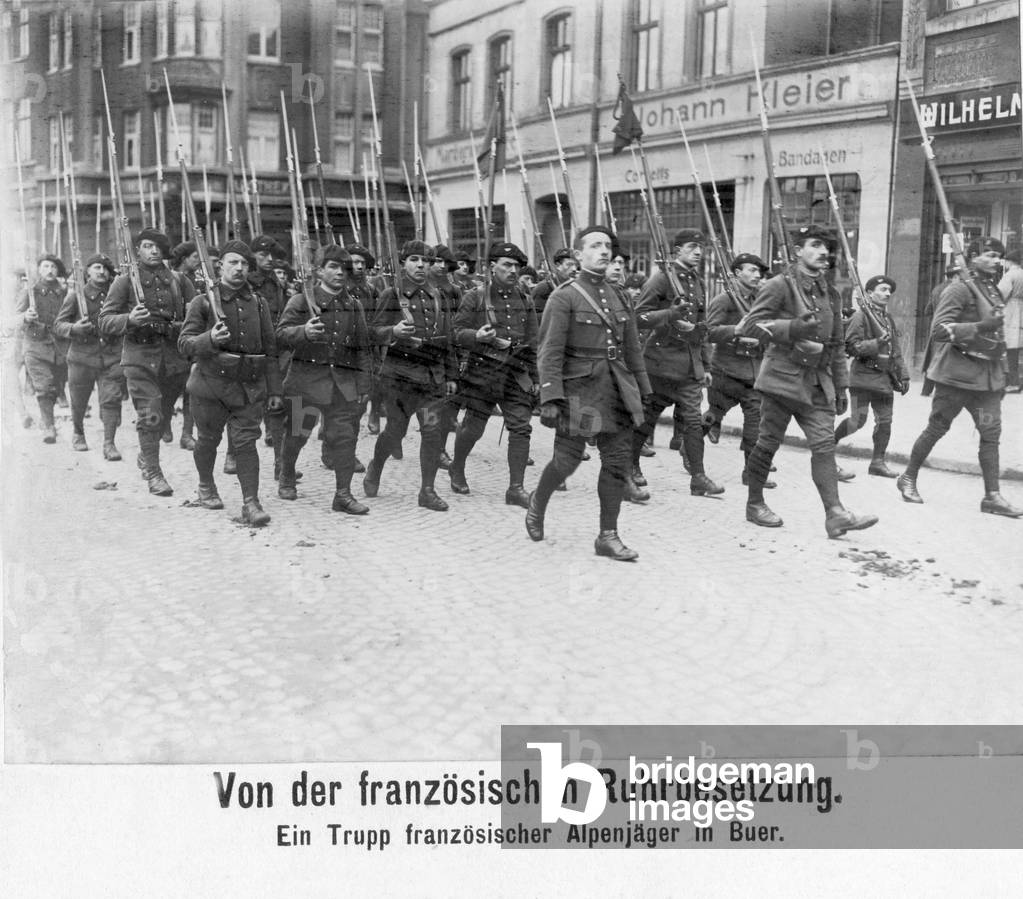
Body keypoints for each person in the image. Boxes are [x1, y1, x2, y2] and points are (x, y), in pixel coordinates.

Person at [739, 225, 878, 538]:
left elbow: (838, 344)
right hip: (781, 381)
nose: (823, 251)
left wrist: (841, 386)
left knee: (824, 445)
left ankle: (835, 514)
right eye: (815, 245)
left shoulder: (830, 292)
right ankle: (755, 503)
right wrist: (792, 328)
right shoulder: (778, 285)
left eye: (827, 247)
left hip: (818, 382)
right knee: (768, 441)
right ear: (798, 250)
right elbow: (750, 326)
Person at [527, 226, 652, 561]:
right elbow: (549, 351)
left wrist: (643, 389)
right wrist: (550, 399)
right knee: (566, 463)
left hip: (616, 390)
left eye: (608, 246)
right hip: (579, 391)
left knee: (615, 464)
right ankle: (538, 501)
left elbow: (632, 349)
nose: (604, 252)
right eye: (595, 246)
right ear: (579, 255)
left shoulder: (620, 295)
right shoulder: (564, 296)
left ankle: (607, 535)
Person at [898, 237, 1022, 517]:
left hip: (987, 379)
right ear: (973, 257)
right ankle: (908, 477)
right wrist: (979, 326)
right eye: (989, 255)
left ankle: (992, 496)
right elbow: (939, 331)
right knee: (937, 428)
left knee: (991, 434)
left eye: (998, 256)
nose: (995, 261)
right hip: (956, 377)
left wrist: (1002, 374)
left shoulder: (991, 289)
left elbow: (998, 335)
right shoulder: (958, 289)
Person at [177, 241, 281, 526]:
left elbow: (271, 349)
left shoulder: (258, 303)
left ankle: (251, 502)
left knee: (247, 443)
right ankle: (206, 485)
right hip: (210, 387)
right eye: (233, 262)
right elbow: (184, 344)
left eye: (245, 264)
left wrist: (274, 390)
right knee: (208, 440)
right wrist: (209, 339)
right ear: (220, 265)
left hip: (248, 387)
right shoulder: (202, 302)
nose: (239, 268)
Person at [273, 245, 373, 513]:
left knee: (345, 437)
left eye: (344, 268)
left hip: (342, 384)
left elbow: (363, 347)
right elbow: (280, 335)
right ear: (319, 270)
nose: (340, 272)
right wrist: (303, 331)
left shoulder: (353, 305)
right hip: (304, 382)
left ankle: (343, 494)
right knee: (296, 434)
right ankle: (286, 475)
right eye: (333, 267)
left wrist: (364, 384)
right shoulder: (301, 301)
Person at [364, 241, 458, 511]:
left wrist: (451, 375)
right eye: (414, 259)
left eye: (426, 261)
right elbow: (372, 332)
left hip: (431, 379)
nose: (421, 265)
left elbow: (448, 339)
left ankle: (427, 491)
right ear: (404, 262)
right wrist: (392, 332)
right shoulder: (391, 295)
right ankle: (376, 466)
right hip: (400, 379)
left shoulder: (438, 296)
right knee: (395, 432)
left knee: (432, 432)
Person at [99, 228, 193, 496]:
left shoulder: (178, 280)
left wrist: (180, 326)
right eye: (147, 246)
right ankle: (154, 472)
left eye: (158, 247)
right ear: (137, 250)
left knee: (160, 418)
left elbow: (195, 316)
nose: (153, 251)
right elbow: (104, 320)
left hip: (173, 361)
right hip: (140, 358)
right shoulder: (124, 281)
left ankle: (146, 455)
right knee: (150, 415)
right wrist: (129, 319)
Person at [629, 228, 722, 501]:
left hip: (689, 366)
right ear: (677, 250)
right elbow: (640, 316)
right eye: (692, 246)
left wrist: (705, 365)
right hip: (660, 363)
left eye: (701, 247)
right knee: (647, 419)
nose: (698, 252)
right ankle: (630, 464)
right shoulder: (660, 280)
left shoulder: (698, 282)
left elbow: (702, 329)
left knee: (693, 421)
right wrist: (669, 316)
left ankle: (698, 477)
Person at [449, 241, 538, 507]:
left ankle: (516, 488)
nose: (513, 270)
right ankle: (457, 466)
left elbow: (534, 341)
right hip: (483, 374)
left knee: (521, 428)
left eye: (517, 266)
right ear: (492, 267)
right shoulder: (475, 297)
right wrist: (476, 336)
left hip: (516, 374)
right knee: (473, 429)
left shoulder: (525, 299)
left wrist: (535, 379)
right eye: (507, 265)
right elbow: (456, 332)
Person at [703, 253, 775, 488]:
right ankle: (689, 445)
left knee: (755, 424)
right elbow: (709, 332)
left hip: (754, 372)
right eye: (752, 271)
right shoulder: (724, 300)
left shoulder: (759, 300)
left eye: (759, 272)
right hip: (727, 370)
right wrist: (736, 329)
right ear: (737, 273)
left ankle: (752, 474)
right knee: (713, 415)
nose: (757, 276)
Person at [834, 275, 911, 477]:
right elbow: (851, 346)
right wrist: (876, 343)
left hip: (884, 380)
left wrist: (904, 375)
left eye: (889, 291)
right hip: (862, 380)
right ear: (869, 293)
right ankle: (828, 447)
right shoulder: (861, 316)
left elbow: (896, 350)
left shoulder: (887, 318)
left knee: (885, 421)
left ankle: (877, 462)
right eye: (883, 289)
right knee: (857, 420)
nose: (887, 294)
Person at [53, 254, 126, 458]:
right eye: (96, 267)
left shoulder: (117, 294)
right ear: (87, 272)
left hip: (111, 356)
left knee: (111, 399)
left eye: (104, 268)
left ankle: (109, 443)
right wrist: (75, 328)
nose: (101, 272)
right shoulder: (76, 295)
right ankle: (78, 433)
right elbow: (58, 324)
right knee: (79, 401)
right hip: (81, 357)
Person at [14, 255, 69, 443]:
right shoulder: (30, 291)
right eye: (46, 266)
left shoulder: (64, 292)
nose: (50, 270)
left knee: (55, 387)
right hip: (35, 346)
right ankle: (48, 426)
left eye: (53, 266)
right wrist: (26, 317)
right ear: (39, 270)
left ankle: (49, 418)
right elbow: (16, 317)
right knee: (44, 387)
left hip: (60, 347)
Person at [997, 249, 1023, 392]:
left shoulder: (1009, 275)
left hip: (1011, 311)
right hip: (1021, 310)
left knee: (1009, 348)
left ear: (1009, 261)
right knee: (1016, 349)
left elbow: (1001, 295)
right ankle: (1016, 381)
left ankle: (1012, 382)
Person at [530, 248, 578, 319]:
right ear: (558, 265)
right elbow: (534, 317)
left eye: (576, 265)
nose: (574, 269)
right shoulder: (544, 288)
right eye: (569, 265)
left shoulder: (576, 286)